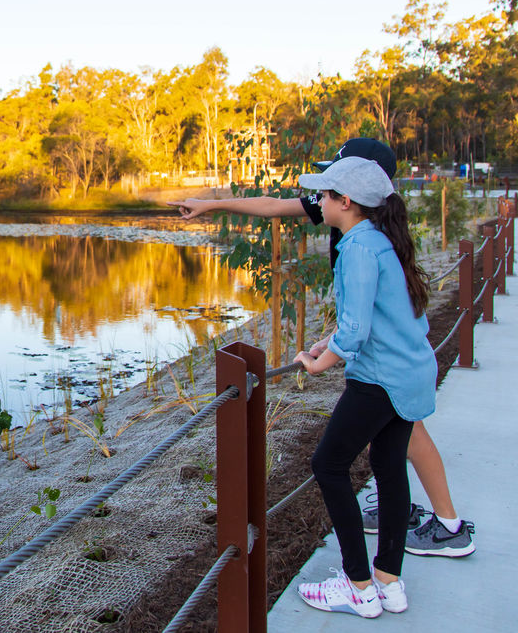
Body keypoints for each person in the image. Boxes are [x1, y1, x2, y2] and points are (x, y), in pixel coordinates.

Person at [169, 137, 475, 558]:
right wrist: (212, 204)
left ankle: (448, 524)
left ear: (355, 190)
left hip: (388, 351)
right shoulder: (363, 215)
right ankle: (399, 515)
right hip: (384, 343)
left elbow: (376, 310)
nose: (322, 196)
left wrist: (332, 351)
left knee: (398, 436)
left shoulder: (368, 234)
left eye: (334, 180)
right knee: (390, 440)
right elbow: (273, 205)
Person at [294, 155, 435, 615]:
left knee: (329, 464)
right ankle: (388, 584)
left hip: (380, 378)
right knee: (389, 465)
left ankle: (357, 585)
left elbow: (354, 334)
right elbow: (374, 316)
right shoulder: (380, 240)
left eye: (324, 195)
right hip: (410, 372)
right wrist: (326, 342)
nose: (318, 202)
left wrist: (318, 364)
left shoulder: (355, 247)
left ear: (346, 202)